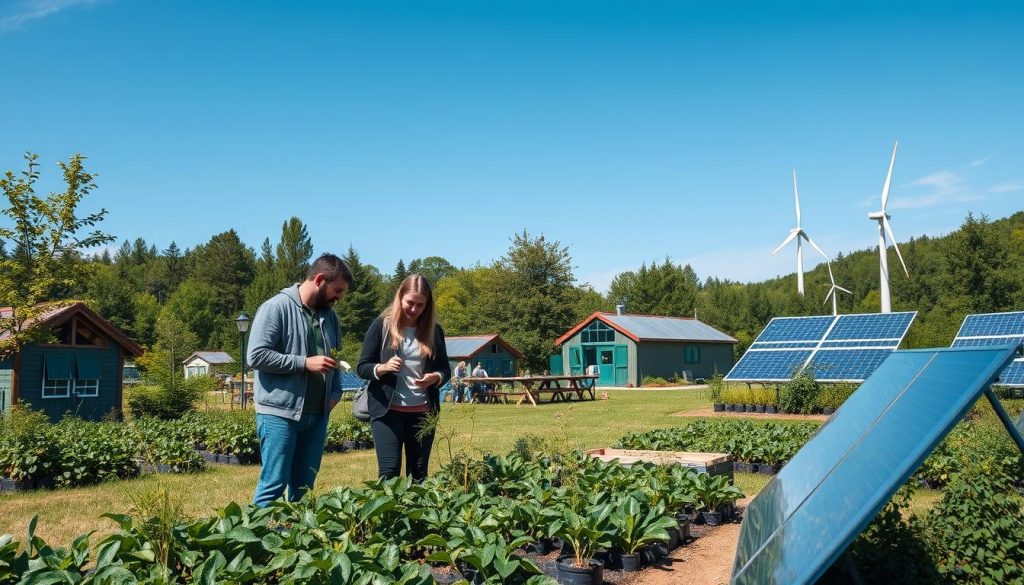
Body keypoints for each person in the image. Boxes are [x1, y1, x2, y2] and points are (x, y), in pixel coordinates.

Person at [248, 254, 352, 507]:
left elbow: (334, 360)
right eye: (337, 290)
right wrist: (304, 363)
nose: (339, 298)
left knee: (304, 489)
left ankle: (296, 542)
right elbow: (256, 356)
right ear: (319, 280)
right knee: (273, 484)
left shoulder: (330, 318)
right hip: (279, 414)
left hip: (317, 416)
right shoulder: (276, 307)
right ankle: (253, 541)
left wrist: (335, 393)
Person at [357, 274, 450, 481]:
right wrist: (383, 368)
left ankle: (416, 512)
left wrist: (434, 377)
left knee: (418, 474)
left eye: (421, 305)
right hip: (387, 412)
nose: (415, 309)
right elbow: (362, 367)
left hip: (423, 412)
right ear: (400, 297)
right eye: (410, 303)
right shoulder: (382, 325)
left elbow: (445, 370)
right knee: (388, 473)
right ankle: (388, 513)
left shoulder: (434, 331)